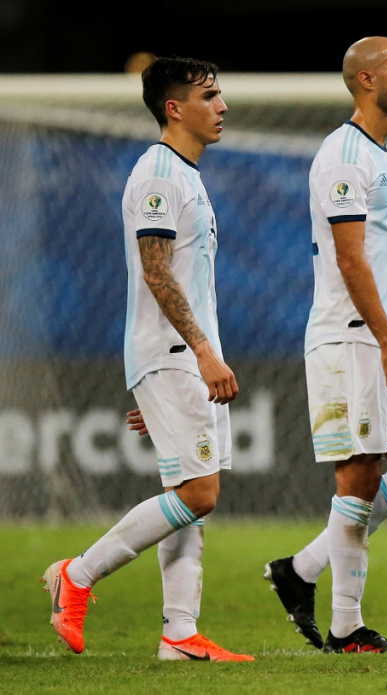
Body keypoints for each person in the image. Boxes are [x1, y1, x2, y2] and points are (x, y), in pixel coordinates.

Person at [42, 56, 252, 661]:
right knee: (199, 494)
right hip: (175, 350)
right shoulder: (159, 175)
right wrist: (201, 354)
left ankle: (179, 634)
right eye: (210, 96)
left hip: (180, 354)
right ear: (174, 108)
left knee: (187, 497)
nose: (222, 106)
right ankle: (77, 574)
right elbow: (157, 273)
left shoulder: (185, 174)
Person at [262, 36, 387, 655]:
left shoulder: (381, 156)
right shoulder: (344, 155)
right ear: (367, 80)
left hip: (383, 337)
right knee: (360, 474)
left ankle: (300, 570)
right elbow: (349, 259)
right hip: (349, 339)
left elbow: (384, 261)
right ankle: (346, 628)